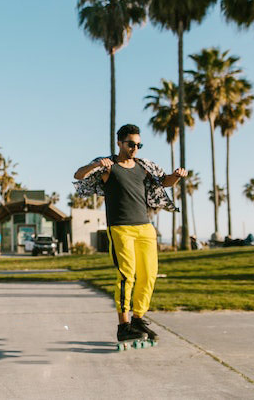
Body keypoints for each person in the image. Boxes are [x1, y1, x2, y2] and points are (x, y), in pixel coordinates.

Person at [74, 124, 185, 344]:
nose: (135, 148)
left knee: (149, 275)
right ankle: (123, 325)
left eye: (138, 144)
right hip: (120, 227)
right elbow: (79, 175)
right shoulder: (108, 166)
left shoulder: (144, 167)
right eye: (131, 144)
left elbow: (165, 182)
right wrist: (97, 164)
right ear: (119, 143)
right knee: (127, 275)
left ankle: (138, 319)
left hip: (145, 227)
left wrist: (177, 176)